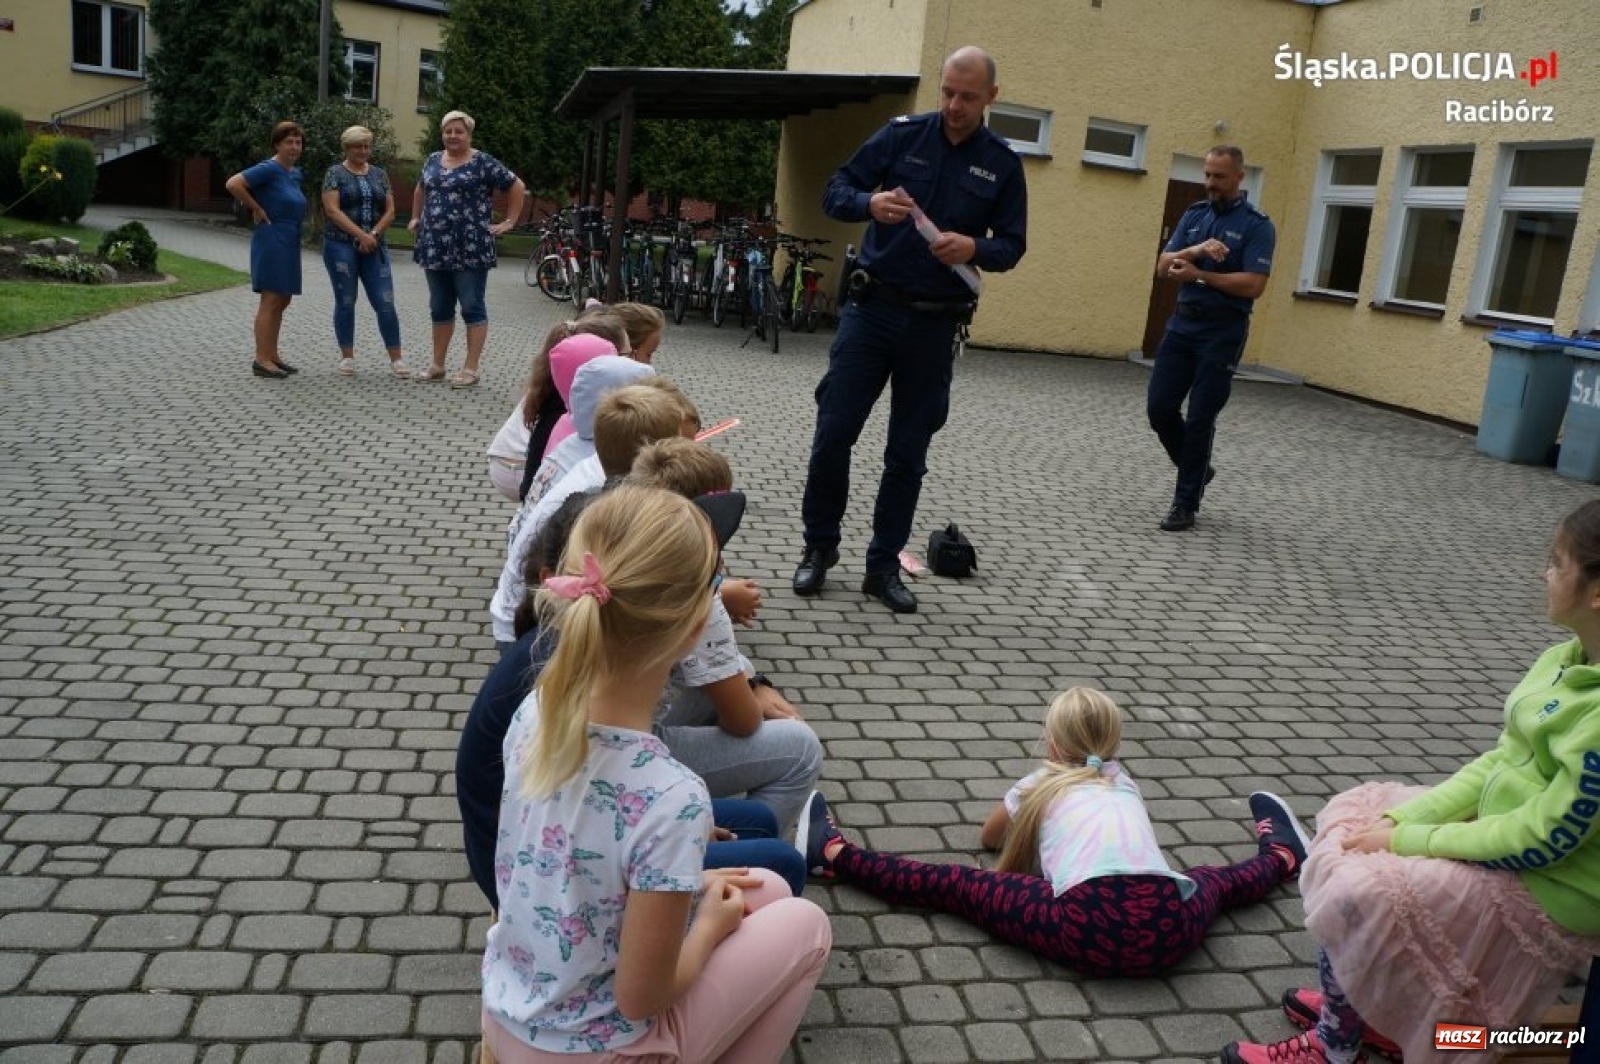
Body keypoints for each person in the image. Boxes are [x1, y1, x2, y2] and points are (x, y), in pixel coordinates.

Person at [1222, 500, 1600, 1064]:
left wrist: (1408, 840)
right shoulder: (1563, 659)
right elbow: (1500, 761)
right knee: (1354, 822)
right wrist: (1404, 819)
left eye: (1558, 562)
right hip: (1510, 833)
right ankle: (1370, 1010)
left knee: (1360, 892)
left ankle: (1335, 1045)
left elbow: (1546, 837)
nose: (1544, 573)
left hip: (1553, 883)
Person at [481, 485, 831, 1061]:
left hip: (511, 1009)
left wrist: (688, 878)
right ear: (698, 628)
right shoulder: (672, 795)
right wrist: (708, 927)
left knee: (763, 888)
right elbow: (641, 998)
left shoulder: (538, 710)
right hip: (600, 1049)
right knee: (808, 926)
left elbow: (557, 850)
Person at [800, 687, 1312, 977]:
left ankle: (834, 853)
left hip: (1084, 926)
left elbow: (988, 839)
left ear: (1052, 745)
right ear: (1112, 746)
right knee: (1217, 882)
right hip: (1168, 926)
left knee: (953, 885)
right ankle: (1284, 858)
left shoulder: (1037, 784)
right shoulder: (1124, 782)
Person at [456, 488, 808, 908]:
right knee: (786, 875)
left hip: (531, 873)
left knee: (758, 823)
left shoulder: (545, 694)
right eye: (714, 586)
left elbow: (563, 807)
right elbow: (639, 957)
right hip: (567, 901)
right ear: (696, 629)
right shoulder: (676, 793)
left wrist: (671, 833)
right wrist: (680, 852)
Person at [793, 45, 1027, 614]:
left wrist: (975, 247)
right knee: (833, 434)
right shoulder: (901, 136)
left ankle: (883, 567)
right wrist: (868, 202)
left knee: (907, 454)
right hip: (872, 311)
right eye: (947, 92)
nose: (954, 105)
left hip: (934, 325)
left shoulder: (1002, 163)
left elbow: (1012, 245)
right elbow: (836, 191)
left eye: (967, 96)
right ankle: (819, 548)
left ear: (991, 97)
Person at [1146, 145, 1275, 533]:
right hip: (1182, 326)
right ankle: (1199, 470)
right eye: (1207, 175)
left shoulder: (1257, 225)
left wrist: (1200, 275)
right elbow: (1162, 266)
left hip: (1222, 331)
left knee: (1201, 418)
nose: (1210, 183)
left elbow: (1254, 285)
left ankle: (1185, 503)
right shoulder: (1194, 215)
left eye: (1219, 176)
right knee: (1160, 409)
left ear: (1239, 177)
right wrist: (1196, 250)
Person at [407, 110, 527, 388]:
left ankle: (470, 369)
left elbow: (516, 186)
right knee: (439, 307)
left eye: (458, 131)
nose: (453, 136)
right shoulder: (432, 159)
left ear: (469, 134)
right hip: (434, 246)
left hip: (470, 247)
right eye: (448, 131)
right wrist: (415, 216)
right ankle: (437, 366)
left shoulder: (482, 162)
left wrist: (510, 221)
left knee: (472, 306)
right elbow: (420, 188)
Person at [485, 314, 628, 504]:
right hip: (511, 469)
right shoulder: (564, 419)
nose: (632, 363)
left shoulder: (562, 402)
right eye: (626, 356)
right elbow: (534, 487)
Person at [320, 125, 407, 379]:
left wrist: (374, 235)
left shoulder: (380, 174)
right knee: (346, 300)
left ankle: (397, 359)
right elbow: (332, 210)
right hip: (340, 245)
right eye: (358, 146)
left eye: (366, 146)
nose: (363, 151)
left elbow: (391, 210)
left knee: (385, 301)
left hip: (375, 246)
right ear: (347, 148)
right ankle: (347, 357)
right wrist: (360, 235)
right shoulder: (335, 173)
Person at [225, 120, 307, 380]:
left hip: (289, 239)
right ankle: (261, 359)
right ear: (276, 145)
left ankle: (272, 354)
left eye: (298, 142)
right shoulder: (269, 169)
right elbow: (233, 183)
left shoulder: (294, 173)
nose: (294, 147)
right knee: (271, 299)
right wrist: (256, 208)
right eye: (288, 142)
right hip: (272, 238)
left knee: (283, 298)